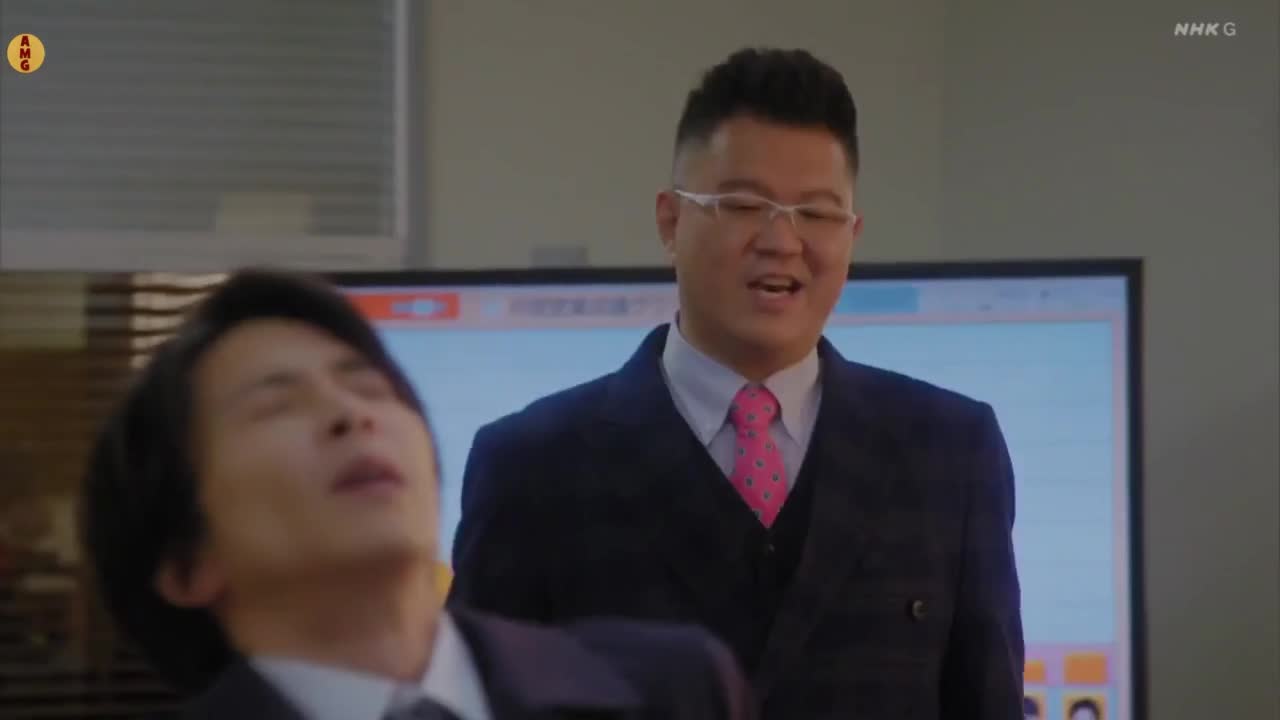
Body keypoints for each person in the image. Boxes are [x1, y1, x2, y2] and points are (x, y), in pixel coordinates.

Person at [449, 47, 1024, 719]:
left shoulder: (950, 452)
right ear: (670, 221)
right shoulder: (532, 466)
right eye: (745, 204)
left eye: (817, 213)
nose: (782, 241)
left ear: (852, 234)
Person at [80, 270, 754, 720]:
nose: (353, 415)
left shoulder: (676, 687)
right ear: (186, 562)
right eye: (276, 405)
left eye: (370, 387)